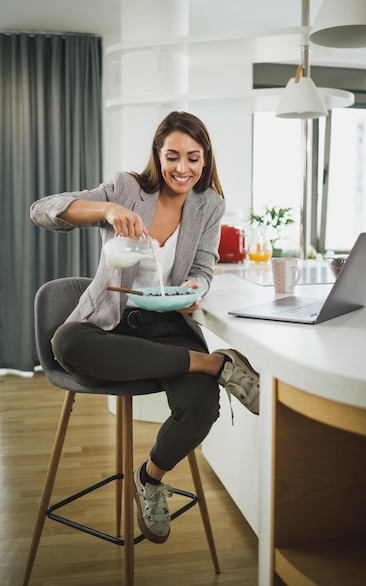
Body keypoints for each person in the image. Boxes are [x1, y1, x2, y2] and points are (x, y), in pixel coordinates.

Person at [30, 110, 260, 545]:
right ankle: (214, 365)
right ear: (158, 154)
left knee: (201, 410)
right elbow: (43, 211)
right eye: (172, 156)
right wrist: (107, 208)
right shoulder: (128, 189)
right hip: (111, 326)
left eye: (194, 158)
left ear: (206, 159)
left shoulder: (209, 204)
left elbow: (204, 267)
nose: (183, 168)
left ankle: (150, 478)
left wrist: (196, 286)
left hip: (167, 328)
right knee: (67, 341)